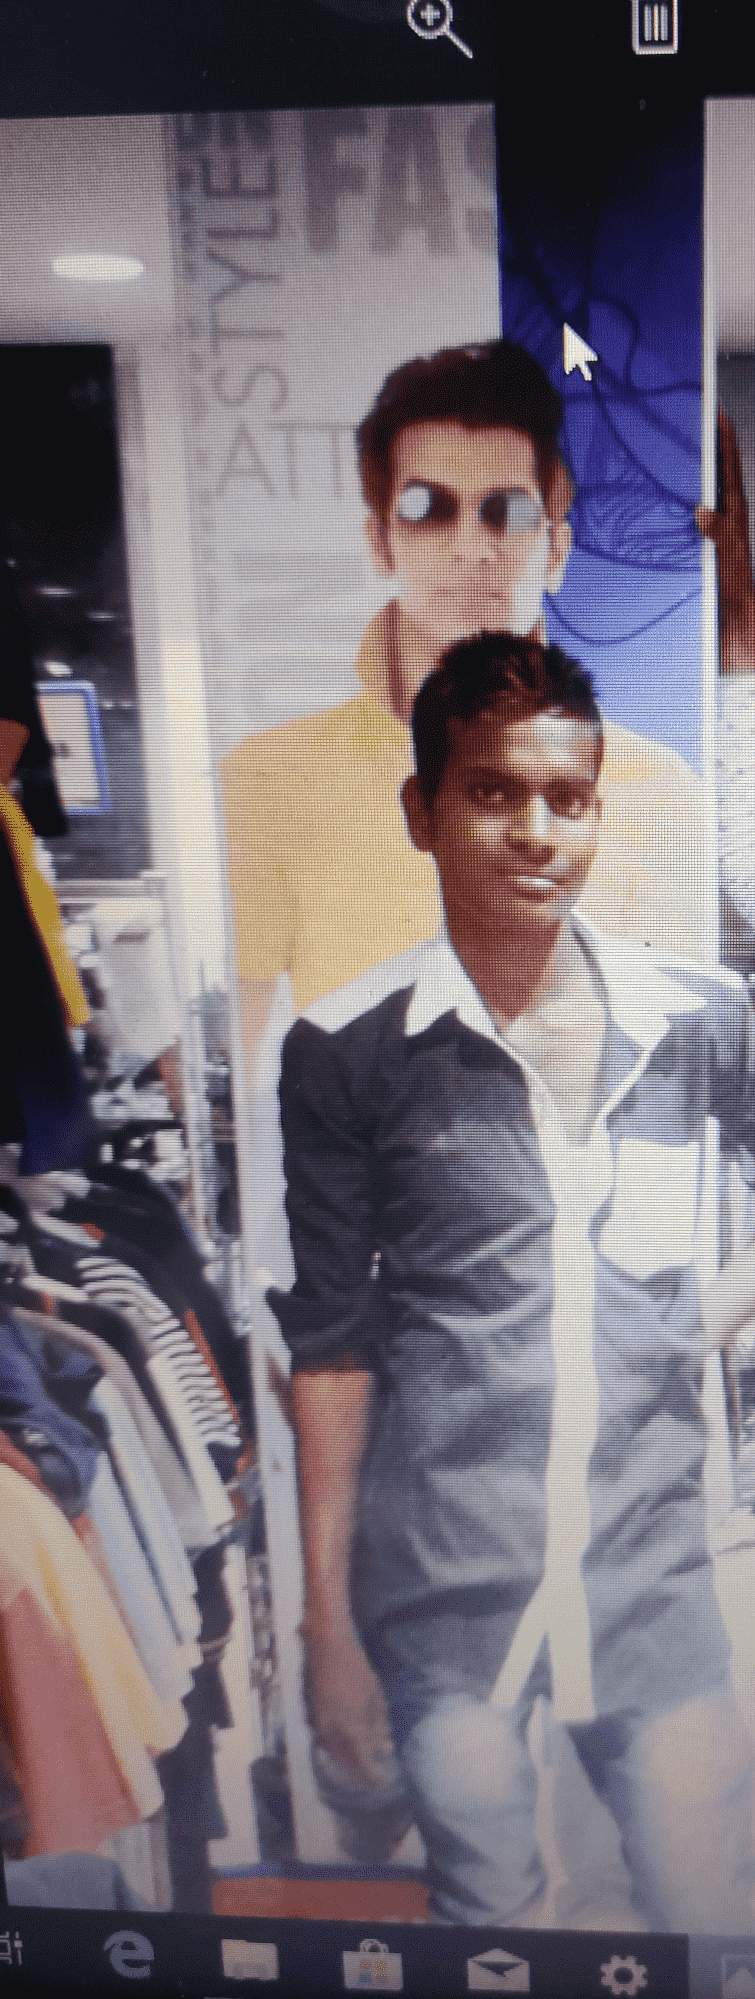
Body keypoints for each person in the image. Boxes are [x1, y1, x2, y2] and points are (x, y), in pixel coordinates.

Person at [269, 633, 755, 1934]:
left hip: (652, 1589)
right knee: (486, 1928)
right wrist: (325, 1625)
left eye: (566, 797)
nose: (535, 832)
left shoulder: (695, 1020)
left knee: (705, 1918)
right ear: (420, 811)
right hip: (444, 1596)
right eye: (491, 792)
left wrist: (689, 1327)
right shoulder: (346, 1051)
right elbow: (330, 1342)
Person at [221, 341, 755, 1086]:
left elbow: (679, 1070)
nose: (471, 550)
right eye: (426, 510)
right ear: (379, 542)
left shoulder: (658, 790)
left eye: (506, 512)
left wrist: (739, 659)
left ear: (556, 550)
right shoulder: (270, 779)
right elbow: (248, 1065)